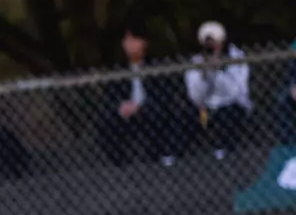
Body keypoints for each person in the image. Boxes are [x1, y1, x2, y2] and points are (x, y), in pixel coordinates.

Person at [100, 21, 191, 166]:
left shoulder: (156, 65)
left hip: (149, 108)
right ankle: (119, 160)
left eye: (134, 39)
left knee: (157, 112)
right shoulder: (119, 68)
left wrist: (139, 106)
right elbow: (111, 95)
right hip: (128, 109)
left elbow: (163, 94)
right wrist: (121, 106)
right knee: (107, 117)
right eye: (126, 40)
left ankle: (160, 152)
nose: (129, 44)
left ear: (144, 43)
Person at [185, 21, 253, 158]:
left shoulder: (237, 58)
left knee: (228, 114)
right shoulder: (196, 62)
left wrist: (218, 72)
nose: (213, 48)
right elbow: (195, 96)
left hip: (232, 104)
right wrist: (205, 74)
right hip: (207, 108)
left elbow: (236, 92)